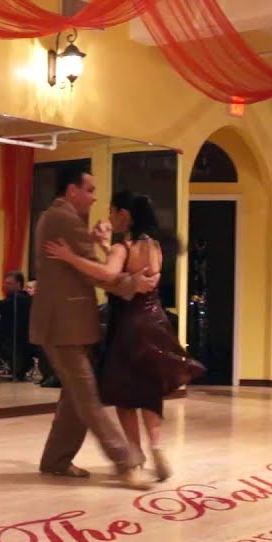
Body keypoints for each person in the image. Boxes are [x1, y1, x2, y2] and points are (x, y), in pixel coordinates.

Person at [46, 190, 204, 482]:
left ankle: (135, 452)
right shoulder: (154, 245)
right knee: (149, 389)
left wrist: (70, 257)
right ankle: (156, 446)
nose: (108, 217)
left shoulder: (125, 247)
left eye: (112, 212)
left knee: (125, 391)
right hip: (156, 321)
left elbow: (107, 275)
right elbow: (128, 270)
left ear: (124, 215)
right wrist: (106, 246)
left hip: (129, 324)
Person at [30, 166, 160, 488]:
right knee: (88, 396)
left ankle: (56, 460)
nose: (95, 197)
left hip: (64, 323)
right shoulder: (66, 220)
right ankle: (127, 462)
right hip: (65, 325)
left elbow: (76, 263)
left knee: (75, 400)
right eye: (89, 190)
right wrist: (132, 283)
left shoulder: (55, 218)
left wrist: (92, 242)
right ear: (72, 191)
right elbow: (96, 274)